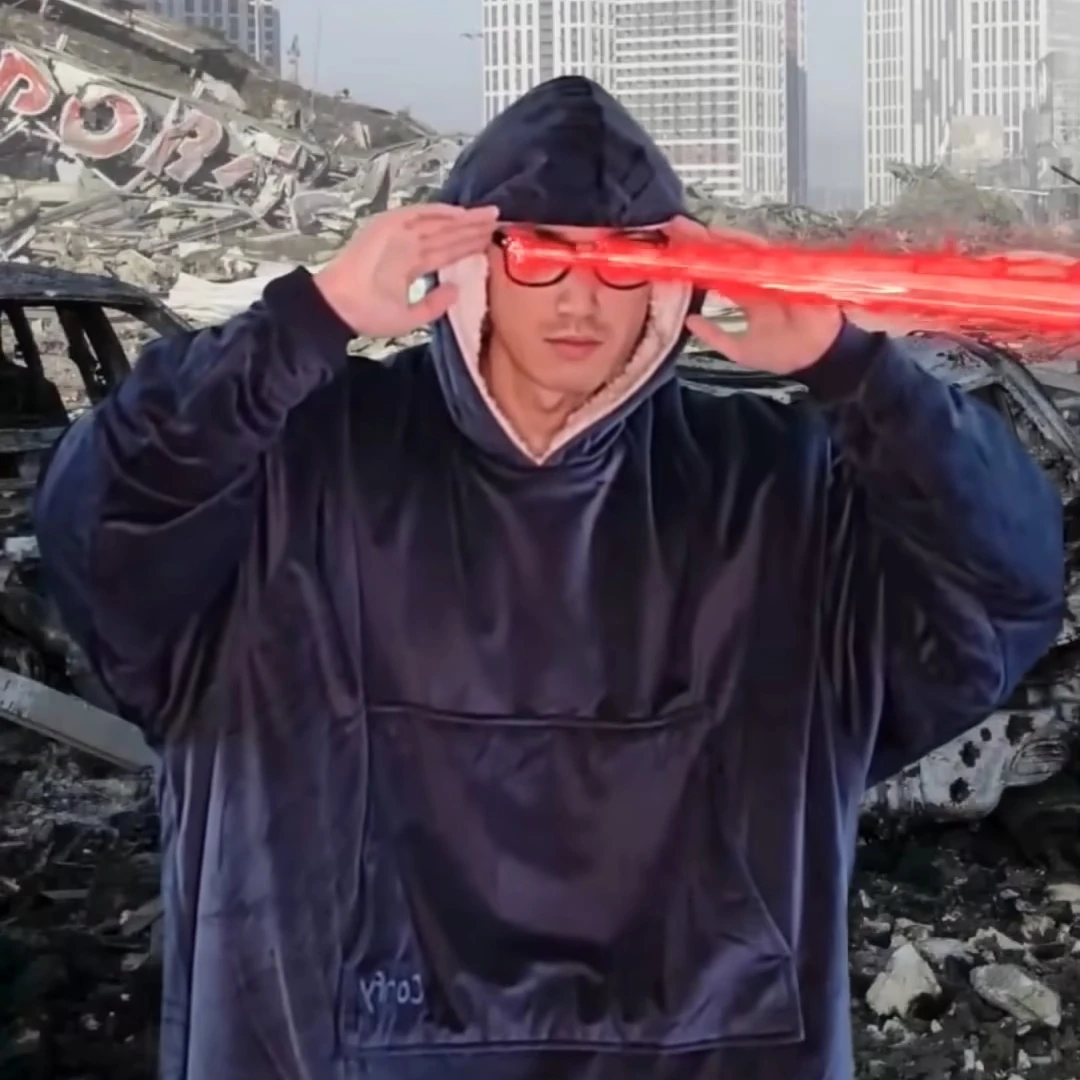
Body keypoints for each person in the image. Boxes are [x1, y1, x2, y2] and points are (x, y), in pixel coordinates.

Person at [34, 76, 1062, 1080]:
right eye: (538, 255)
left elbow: (996, 591)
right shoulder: (298, 464)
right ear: (467, 257)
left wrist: (853, 369)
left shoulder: (777, 488)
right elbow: (103, 523)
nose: (580, 298)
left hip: (711, 1040)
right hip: (336, 1038)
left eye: (623, 262)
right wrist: (309, 317)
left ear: (674, 276)